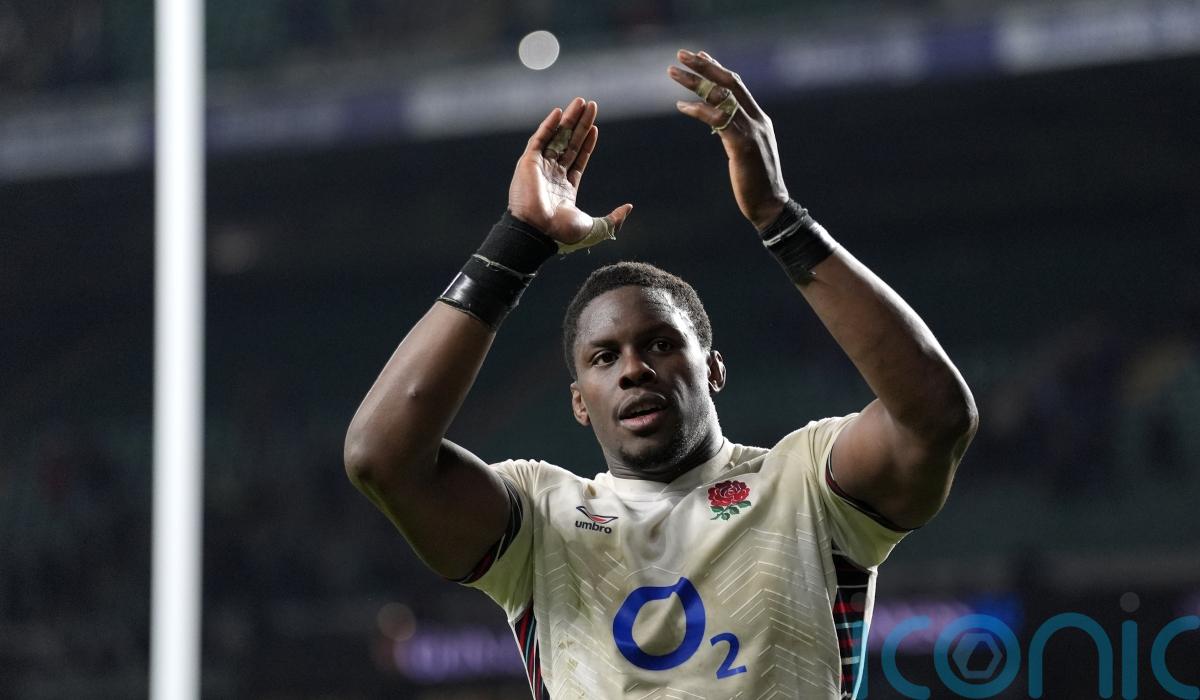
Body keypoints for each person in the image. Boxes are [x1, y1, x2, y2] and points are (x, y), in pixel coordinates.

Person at [344, 49, 978, 699]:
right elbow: (380, 458)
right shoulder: (539, 519)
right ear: (579, 403)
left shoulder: (806, 482)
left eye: (660, 344)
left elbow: (936, 416)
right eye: (604, 357)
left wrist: (778, 218)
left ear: (714, 369)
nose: (634, 369)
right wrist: (519, 239)